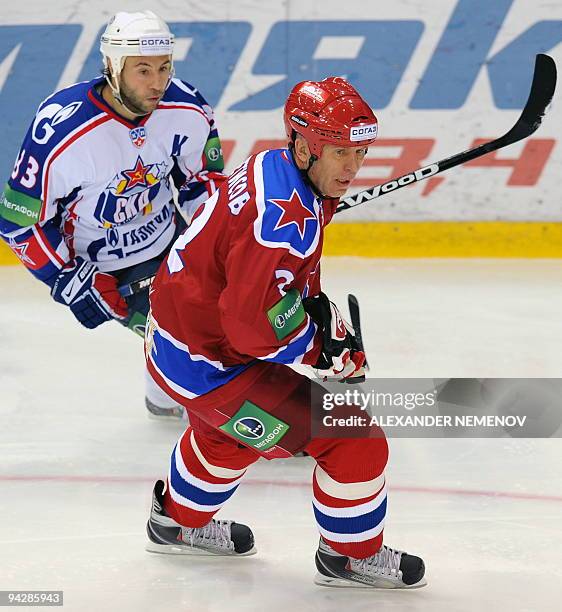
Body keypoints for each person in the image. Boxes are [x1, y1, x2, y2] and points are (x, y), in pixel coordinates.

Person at [143, 77, 427, 589]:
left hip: (180, 344)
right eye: (340, 151)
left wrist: (317, 316)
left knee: (226, 438)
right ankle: (348, 556)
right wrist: (322, 352)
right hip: (214, 363)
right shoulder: (280, 219)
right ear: (303, 143)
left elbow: (275, 280)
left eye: (360, 152)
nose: (353, 168)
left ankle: (176, 522)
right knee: (353, 439)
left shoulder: (272, 168)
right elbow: (253, 329)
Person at [0, 11, 226, 419]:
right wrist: (68, 279)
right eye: (142, 70)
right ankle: (266, 426)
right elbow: (17, 221)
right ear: (112, 67)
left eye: (164, 67)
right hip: (106, 270)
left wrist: (219, 229)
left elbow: (200, 181)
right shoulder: (62, 129)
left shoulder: (187, 107)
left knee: (234, 316)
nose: (157, 83)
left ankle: (164, 396)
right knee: (200, 347)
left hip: (170, 240)